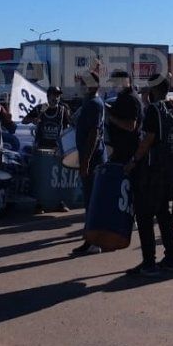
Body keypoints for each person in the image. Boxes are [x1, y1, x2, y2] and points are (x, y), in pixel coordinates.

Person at [123, 74, 173, 276]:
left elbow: (148, 139)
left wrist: (133, 161)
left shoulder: (153, 110)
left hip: (153, 172)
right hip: (170, 171)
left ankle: (149, 263)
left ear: (153, 89)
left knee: (145, 216)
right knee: (164, 216)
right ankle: (171, 258)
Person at [70, 73, 105, 256]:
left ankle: (93, 242)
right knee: (89, 202)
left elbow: (94, 134)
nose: (80, 84)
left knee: (92, 202)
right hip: (90, 158)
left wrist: (86, 161)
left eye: (83, 82)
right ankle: (90, 240)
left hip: (93, 160)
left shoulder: (94, 104)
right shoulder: (89, 101)